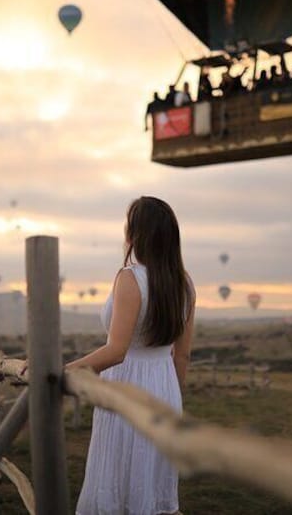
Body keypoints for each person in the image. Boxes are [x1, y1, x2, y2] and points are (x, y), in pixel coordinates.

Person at [71, 196, 195, 515]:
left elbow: (116, 351)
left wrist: (62, 370)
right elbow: (182, 356)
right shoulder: (185, 284)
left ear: (136, 234)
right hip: (165, 387)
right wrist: (171, 398)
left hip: (127, 385)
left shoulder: (130, 277)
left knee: (118, 475)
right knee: (150, 482)